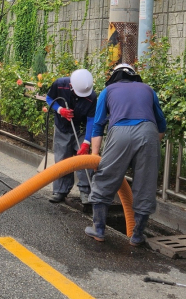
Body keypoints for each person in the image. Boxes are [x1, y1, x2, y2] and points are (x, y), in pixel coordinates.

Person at [85, 63, 167, 246]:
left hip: (120, 132)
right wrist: (149, 146)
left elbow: (98, 125)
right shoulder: (148, 90)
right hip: (149, 133)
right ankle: (137, 236)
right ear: (134, 76)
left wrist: (95, 157)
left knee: (105, 178)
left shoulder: (108, 90)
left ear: (114, 76)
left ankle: (98, 229)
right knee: (145, 183)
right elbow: (161, 125)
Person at [45, 69, 97, 205]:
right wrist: (60, 110)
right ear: (71, 85)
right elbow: (49, 98)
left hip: (81, 129)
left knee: (84, 160)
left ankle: (85, 192)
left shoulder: (91, 96)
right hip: (62, 127)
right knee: (62, 159)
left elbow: (91, 120)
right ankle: (60, 191)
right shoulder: (60, 84)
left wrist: (86, 142)